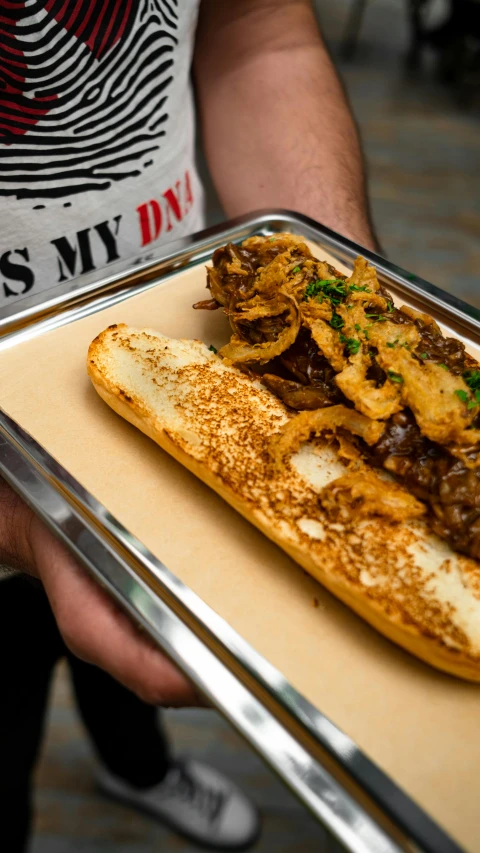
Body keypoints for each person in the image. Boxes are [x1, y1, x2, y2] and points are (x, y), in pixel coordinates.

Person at [0, 1, 377, 850]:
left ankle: (137, 769)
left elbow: (260, 39)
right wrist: (21, 518)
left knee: (129, 657)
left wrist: (345, 326)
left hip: (182, 386)